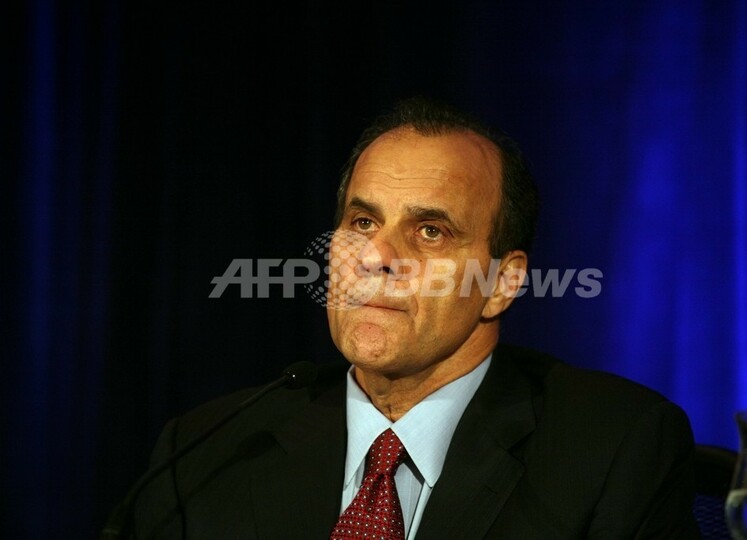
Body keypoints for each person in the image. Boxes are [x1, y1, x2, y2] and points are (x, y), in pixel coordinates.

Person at [128, 98, 700, 538]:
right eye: (362, 223)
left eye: (430, 231)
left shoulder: (613, 448)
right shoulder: (205, 454)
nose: (375, 256)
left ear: (501, 284)